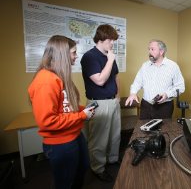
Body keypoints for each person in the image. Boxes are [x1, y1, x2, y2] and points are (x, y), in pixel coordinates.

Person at [28, 35, 94, 189]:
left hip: (74, 134)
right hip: (61, 142)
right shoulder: (45, 81)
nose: (76, 56)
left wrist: (83, 110)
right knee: (65, 182)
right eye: (73, 53)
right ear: (62, 54)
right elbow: (47, 122)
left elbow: (66, 107)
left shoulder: (60, 76)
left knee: (83, 167)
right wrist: (82, 116)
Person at [80, 24, 121, 182]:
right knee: (99, 138)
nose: (112, 43)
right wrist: (110, 60)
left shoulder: (109, 55)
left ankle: (112, 158)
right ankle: (98, 167)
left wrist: (118, 95)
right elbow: (99, 80)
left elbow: (116, 76)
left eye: (113, 40)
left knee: (114, 135)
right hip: (98, 103)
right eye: (110, 40)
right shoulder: (90, 57)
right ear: (101, 38)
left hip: (113, 101)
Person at [125, 39, 185, 119]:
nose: (149, 52)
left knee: (163, 131)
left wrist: (167, 94)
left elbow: (180, 87)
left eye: (152, 49)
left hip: (164, 108)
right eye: (149, 49)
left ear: (161, 51)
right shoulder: (145, 66)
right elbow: (138, 82)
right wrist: (133, 93)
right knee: (144, 130)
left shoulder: (173, 66)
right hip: (146, 107)